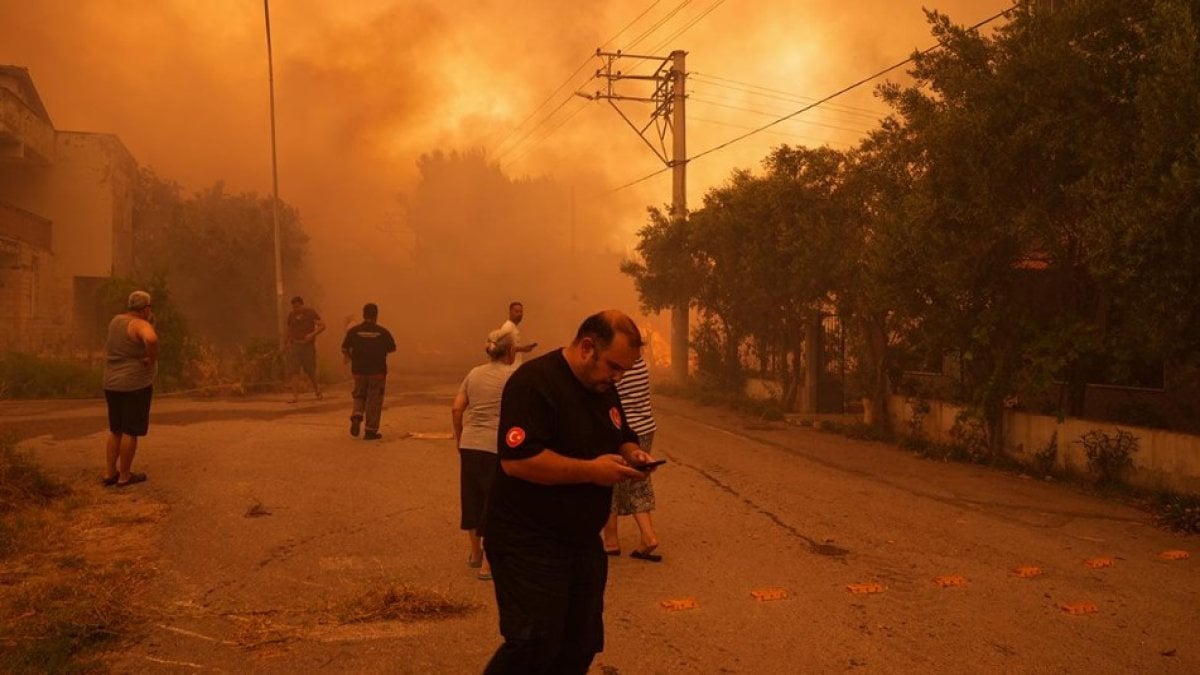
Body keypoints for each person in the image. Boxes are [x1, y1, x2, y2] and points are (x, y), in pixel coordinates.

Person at [483, 310, 659, 674]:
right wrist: (592, 472)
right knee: (534, 643)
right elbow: (517, 461)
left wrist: (632, 453)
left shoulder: (604, 387)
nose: (617, 377)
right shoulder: (535, 383)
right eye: (613, 367)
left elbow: (621, 432)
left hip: (580, 540)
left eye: (623, 370)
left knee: (580, 643)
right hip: (527, 540)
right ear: (587, 347)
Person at [450, 329, 517, 581]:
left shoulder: (473, 373)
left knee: (473, 497)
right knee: (495, 501)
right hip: (495, 446)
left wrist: (460, 440)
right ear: (510, 351)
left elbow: (457, 409)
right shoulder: (513, 376)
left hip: (470, 444)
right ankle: (489, 564)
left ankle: (475, 553)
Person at [601, 356, 662, 561]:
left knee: (611, 481)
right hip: (645, 428)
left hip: (621, 430)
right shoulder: (640, 362)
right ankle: (648, 537)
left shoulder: (615, 365)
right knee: (639, 480)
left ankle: (610, 541)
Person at [101, 290, 159, 488]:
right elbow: (151, 339)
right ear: (146, 308)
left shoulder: (115, 321)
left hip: (111, 383)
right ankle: (125, 476)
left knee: (115, 429)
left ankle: (109, 473)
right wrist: (151, 359)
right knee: (130, 431)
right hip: (134, 385)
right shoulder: (140, 323)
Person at [341, 303, 396, 441]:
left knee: (359, 394)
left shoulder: (354, 331)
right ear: (376, 315)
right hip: (377, 372)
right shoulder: (383, 332)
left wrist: (352, 357)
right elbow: (392, 348)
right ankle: (370, 431)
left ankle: (357, 414)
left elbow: (344, 348)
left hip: (358, 371)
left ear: (363, 314)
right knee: (374, 399)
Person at [286, 295, 325, 403]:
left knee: (310, 371)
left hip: (307, 346)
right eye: (294, 307)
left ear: (302, 305)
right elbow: (289, 329)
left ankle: (317, 390)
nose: (296, 309)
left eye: (298, 306)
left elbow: (322, 325)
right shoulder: (291, 315)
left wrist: (312, 334)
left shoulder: (310, 313)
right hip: (295, 345)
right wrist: (287, 343)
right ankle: (295, 397)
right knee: (294, 371)